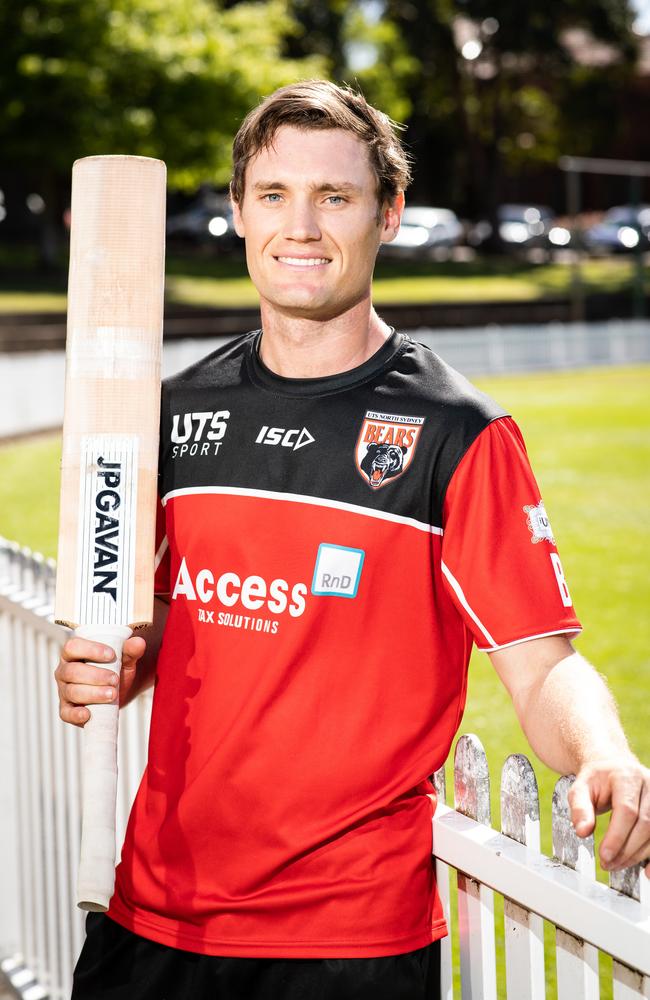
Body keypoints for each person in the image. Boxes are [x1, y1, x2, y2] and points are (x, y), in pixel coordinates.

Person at [55, 80, 650, 1000]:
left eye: (334, 197)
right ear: (242, 213)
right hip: (154, 917)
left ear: (389, 214)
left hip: (347, 942)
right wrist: (125, 659)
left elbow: (542, 663)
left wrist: (605, 752)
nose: (302, 226)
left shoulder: (460, 432)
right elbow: (170, 608)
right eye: (274, 196)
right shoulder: (173, 412)